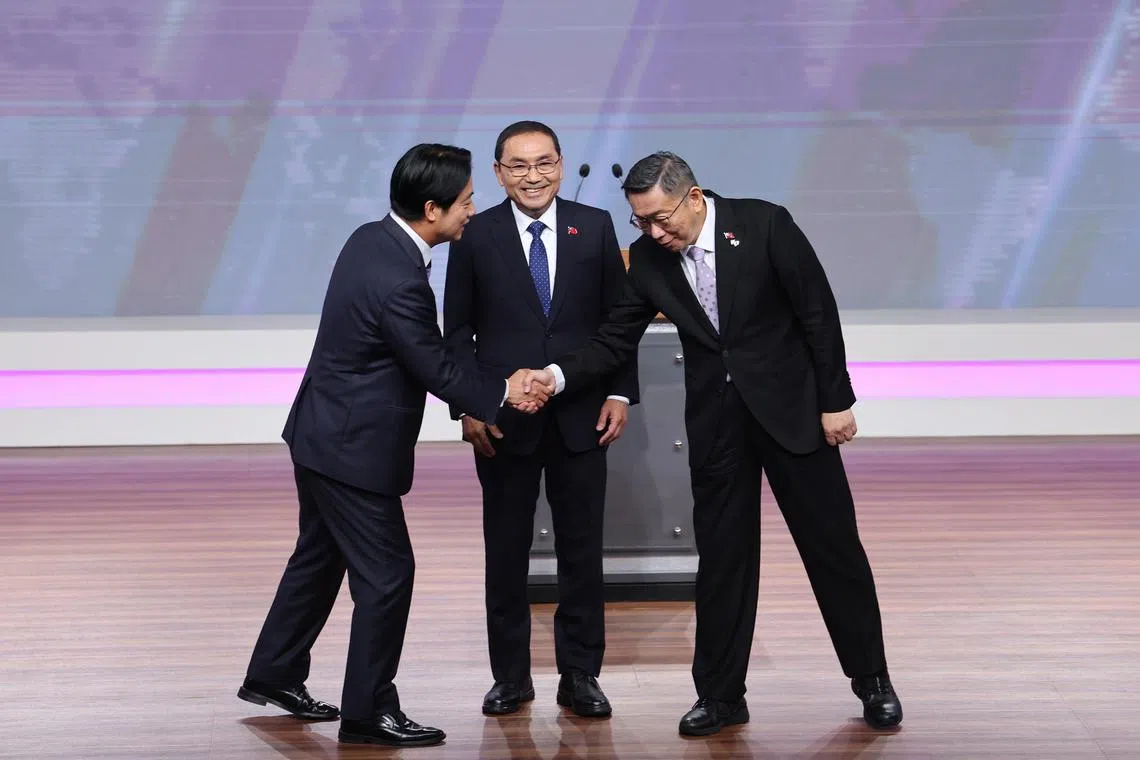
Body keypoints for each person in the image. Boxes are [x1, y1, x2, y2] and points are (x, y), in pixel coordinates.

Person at [525, 152, 903, 736]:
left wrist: (836, 400)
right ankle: (721, 696)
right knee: (723, 562)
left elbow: (817, 315)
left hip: (793, 413)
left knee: (833, 549)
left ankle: (872, 680)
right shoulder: (651, 259)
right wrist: (555, 376)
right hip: (718, 424)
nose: (653, 233)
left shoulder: (764, 224)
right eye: (641, 223)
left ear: (694, 196)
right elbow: (613, 341)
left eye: (660, 219)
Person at [237, 143, 549, 748]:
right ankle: (369, 710)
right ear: (432, 209)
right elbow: (433, 365)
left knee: (320, 558)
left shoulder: (370, 238)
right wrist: (504, 389)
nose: (472, 210)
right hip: (351, 449)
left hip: (320, 434)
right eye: (464, 202)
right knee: (387, 576)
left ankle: (274, 673)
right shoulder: (399, 281)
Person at [443, 121, 639, 718]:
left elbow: (619, 323)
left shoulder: (596, 227)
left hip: (583, 417)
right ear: (498, 172)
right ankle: (510, 677)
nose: (534, 176)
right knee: (505, 551)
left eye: (545, 163)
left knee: (583, 552)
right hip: (502, 423)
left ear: (561, 163)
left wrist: (621, 395)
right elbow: (456, 332)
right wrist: (469, 406)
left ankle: (581, 675)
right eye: (519, 165)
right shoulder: (476, 235)